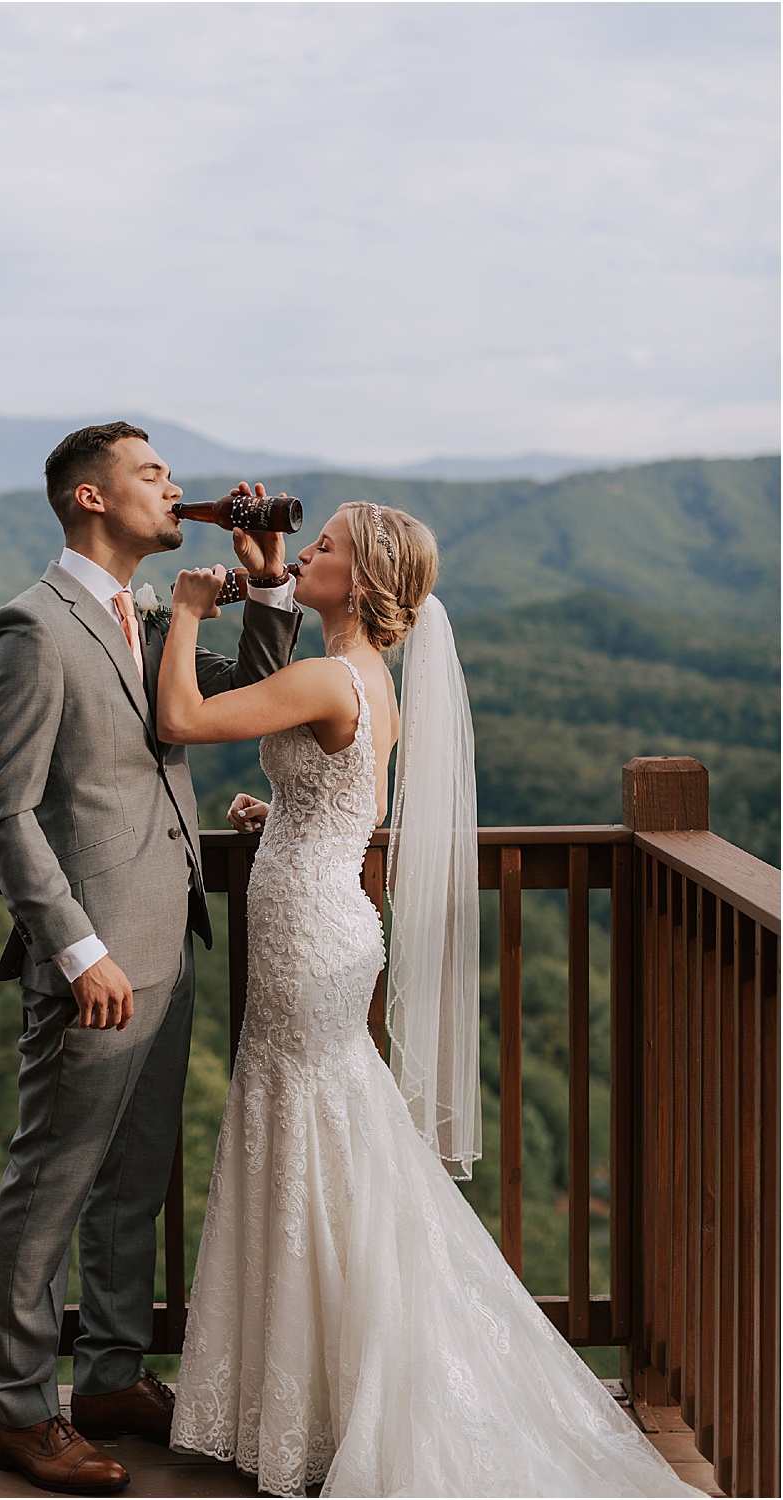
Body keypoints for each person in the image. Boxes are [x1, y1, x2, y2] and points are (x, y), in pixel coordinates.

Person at [157, 503, 700, 1496]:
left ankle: (337, 1390)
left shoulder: (327, 675)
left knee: (314, 1136)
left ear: (358, 583)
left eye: (319, 548)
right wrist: (270, 810)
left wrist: (189, 610)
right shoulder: (365, 681)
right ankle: (320, 1387)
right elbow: (342, 804)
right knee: (326, 1140)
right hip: (325, 924)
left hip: (310, 936)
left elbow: (181, 720)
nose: (302, 554)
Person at [0, 421, 301, 1495]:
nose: (175, 488)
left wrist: (264, 587)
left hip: (173, 933)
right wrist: (74, 950)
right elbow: (2, 815)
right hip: (98, 958)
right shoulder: (31, 626)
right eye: (150, 473)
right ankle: (19, 1409)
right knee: (49, 1181)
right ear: (88, 501)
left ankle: (110, 1375)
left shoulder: (147, 613)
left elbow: (237, 705)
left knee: (132, 1175)